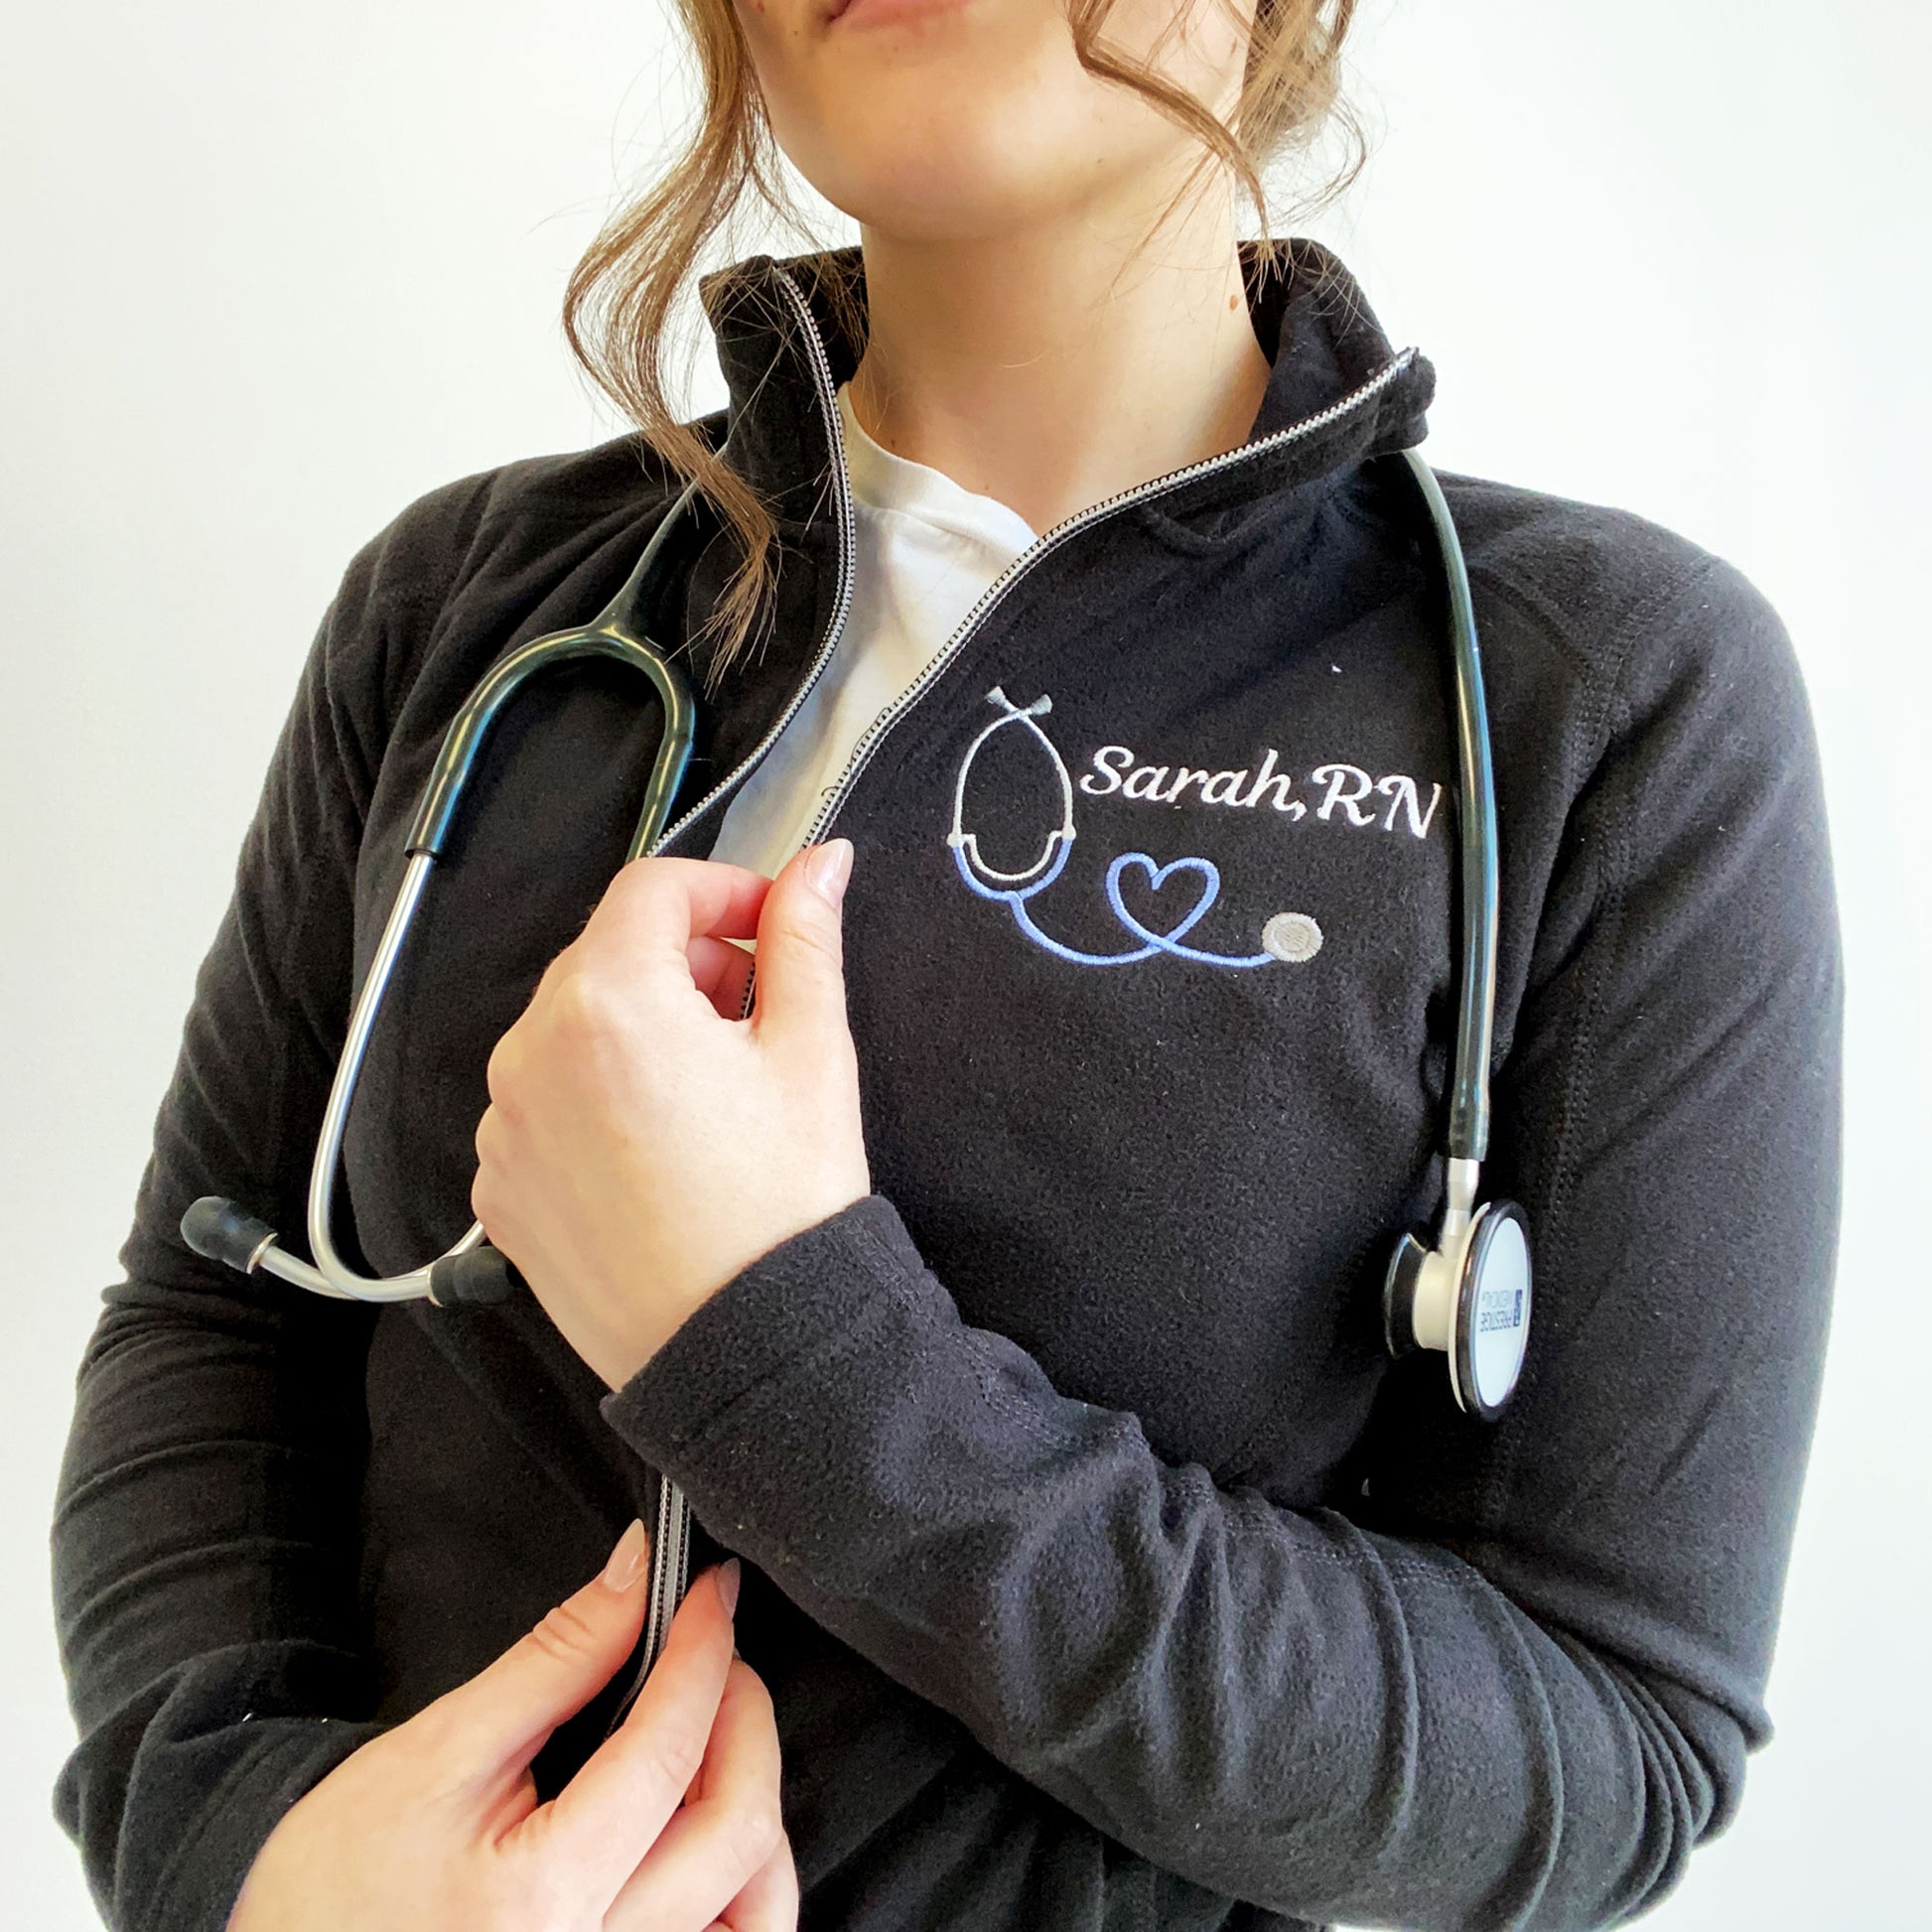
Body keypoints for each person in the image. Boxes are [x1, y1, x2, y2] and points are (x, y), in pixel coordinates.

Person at [52, 0, 1844, 1925]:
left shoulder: (1603, 707)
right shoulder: (459, 609)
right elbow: (215, 1318)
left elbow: (1605, 1737)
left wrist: (787, 1341)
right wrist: (243, 1859)